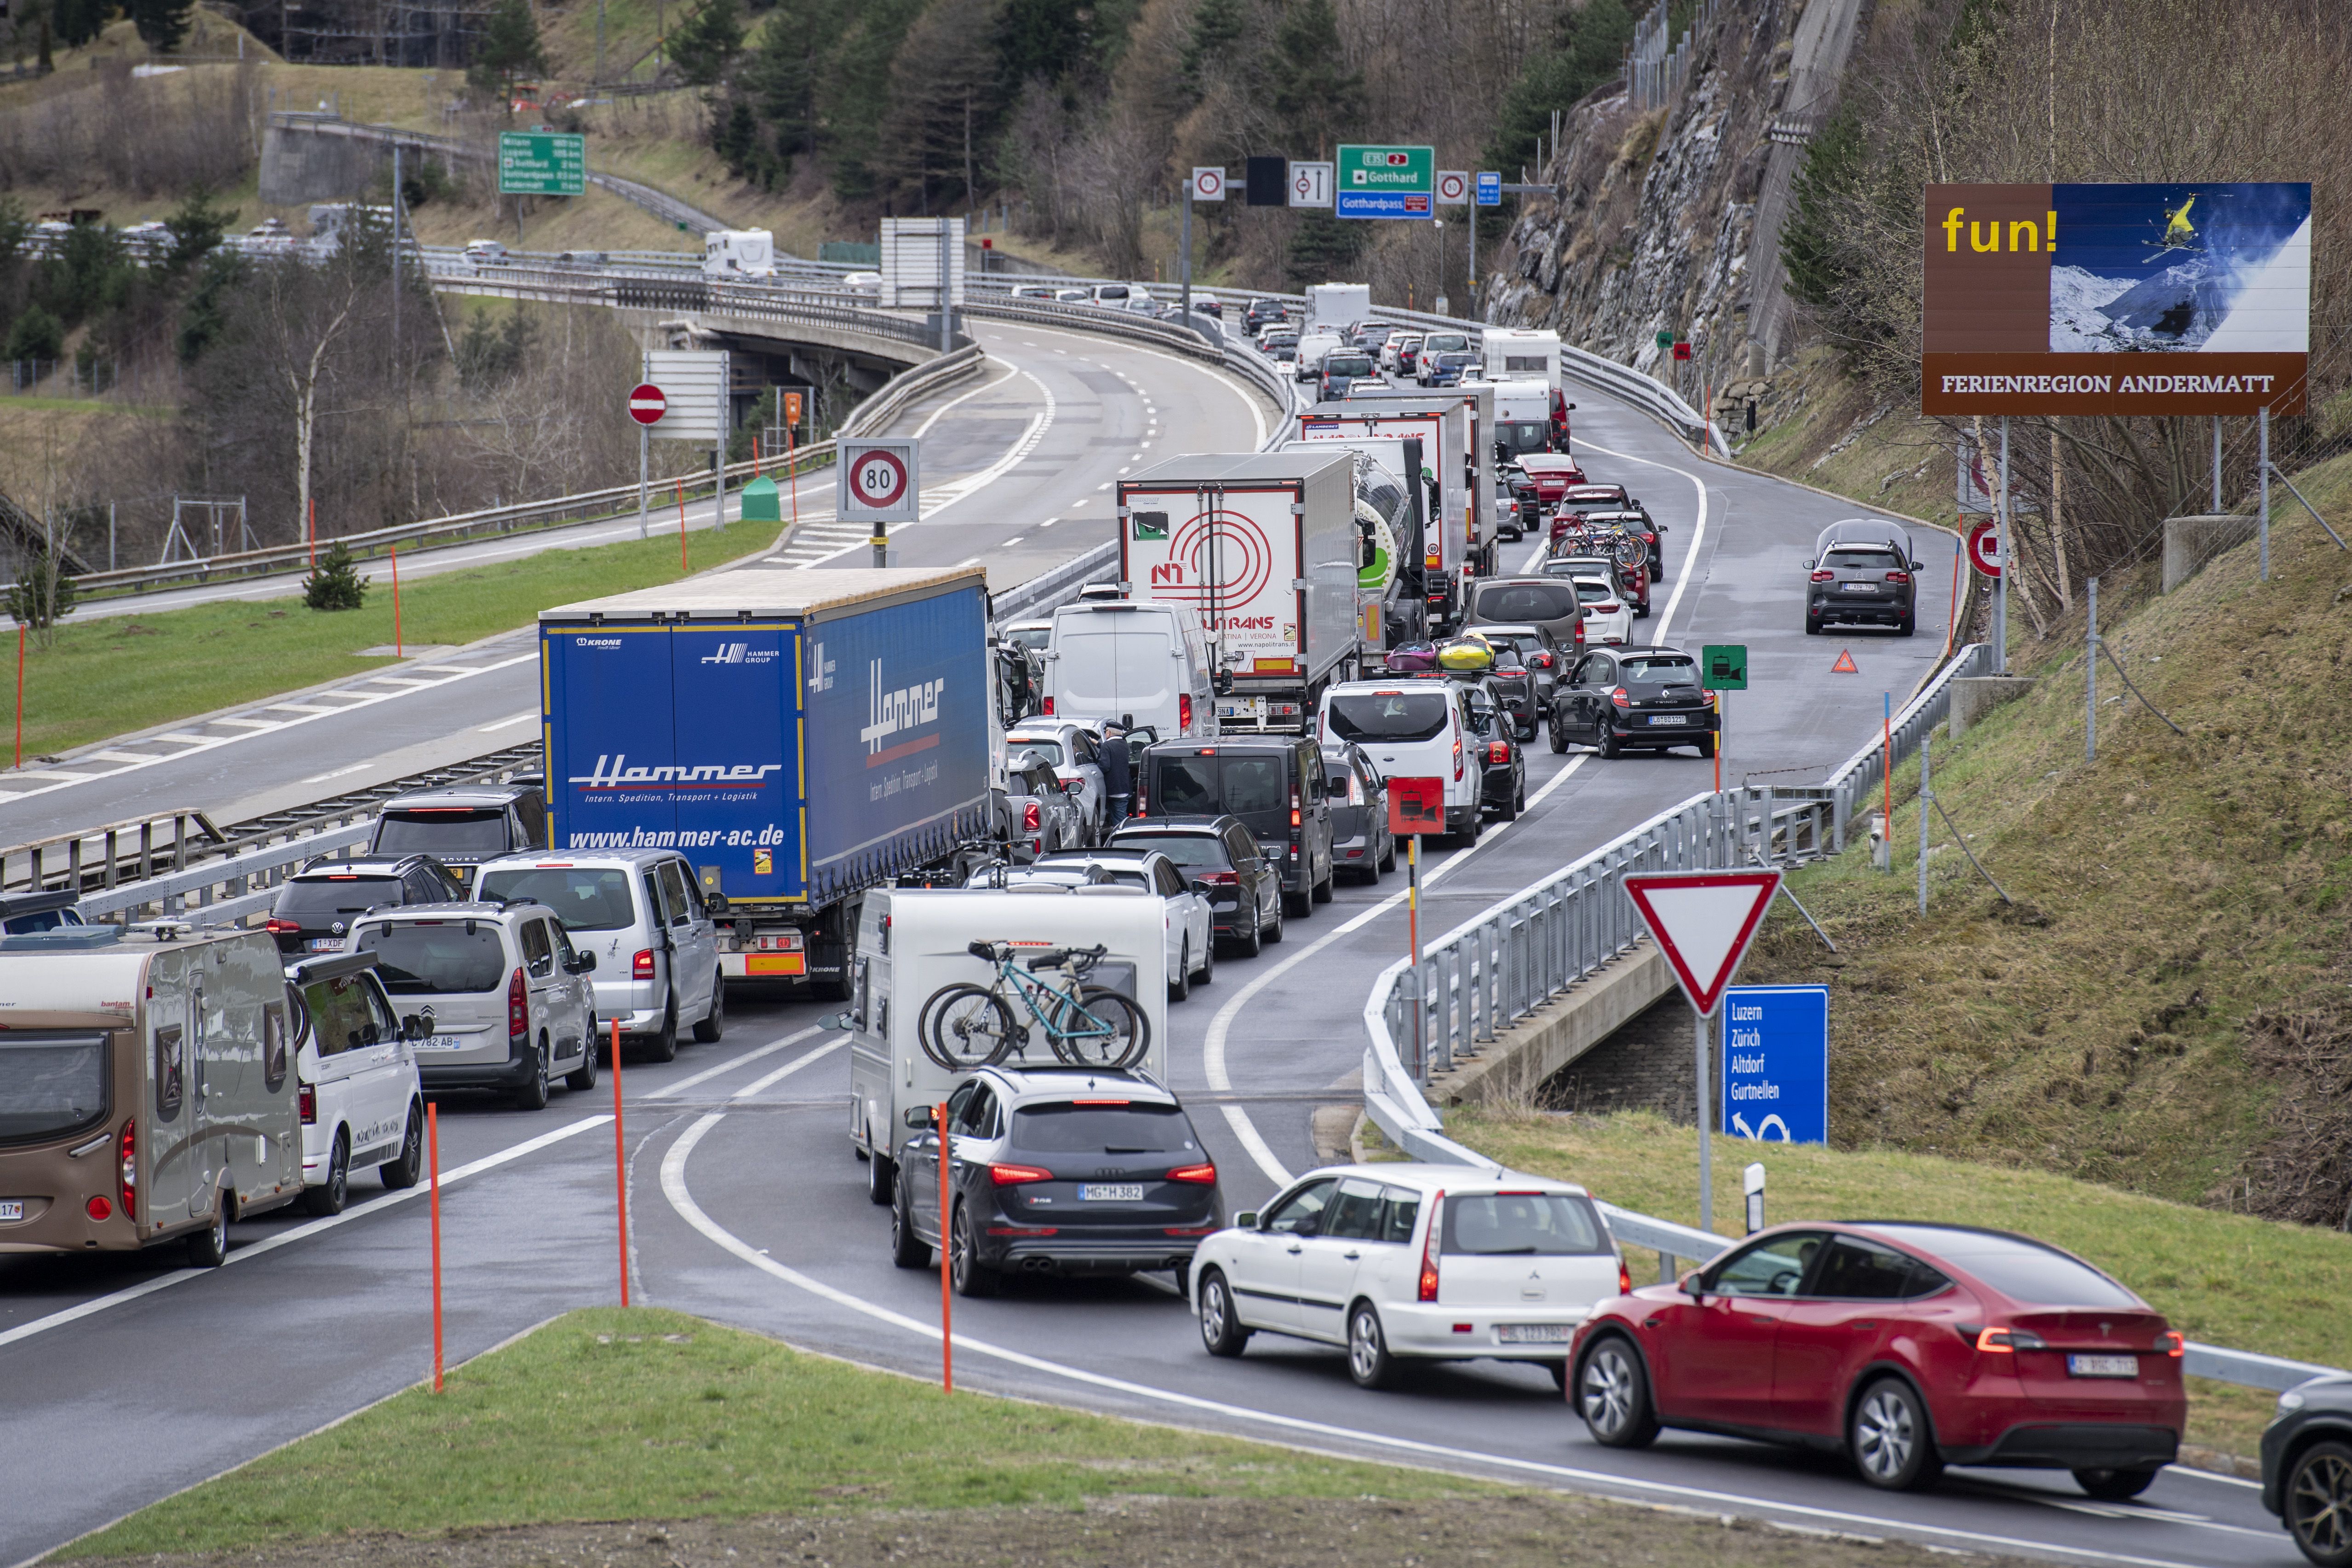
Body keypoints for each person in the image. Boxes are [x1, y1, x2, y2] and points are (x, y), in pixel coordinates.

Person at [1097, 720, 1133, 829]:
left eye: (1106, 732)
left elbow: (1105, 766)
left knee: (1120, 823)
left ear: (1109, 733)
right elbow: (1115, 752)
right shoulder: (1125, 745)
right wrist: (1098, 744)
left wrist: (1095, 767)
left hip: (1112, 789)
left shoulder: (1107, 746)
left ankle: (1122, 839)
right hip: (1124, 788)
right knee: (1120, 817)